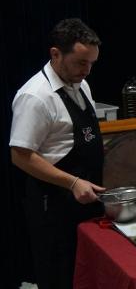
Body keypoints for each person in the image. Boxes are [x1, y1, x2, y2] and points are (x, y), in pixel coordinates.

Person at [9, 18, 105, 289]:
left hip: (83, 201)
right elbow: (20, 155)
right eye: (80, 63)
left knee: (84, 273)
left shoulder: (81, 84)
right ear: (55, 54)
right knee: (59, 274)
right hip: (52, 205)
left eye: (91, 64)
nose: (86, 71)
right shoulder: (35, 97)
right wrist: (72, 182)